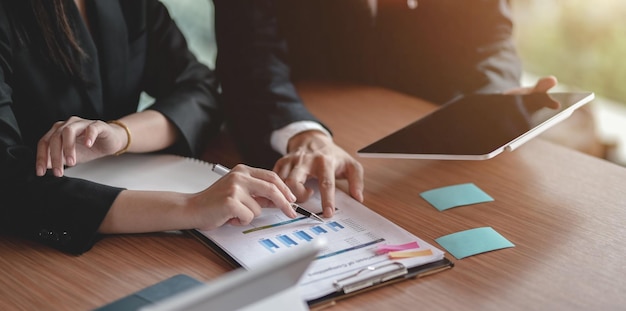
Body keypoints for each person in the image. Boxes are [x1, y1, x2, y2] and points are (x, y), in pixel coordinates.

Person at [0, 0, 305, 254]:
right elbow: (8, 181)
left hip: (126, 231)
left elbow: (200, 89)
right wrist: (190, 207)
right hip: (32, 253)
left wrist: (121, 134)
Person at [212, 0, 556, 218]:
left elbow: (490, 34)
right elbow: (249, 51)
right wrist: (304, 132)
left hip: (431, 139)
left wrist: (492, 97)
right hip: (306, 116)